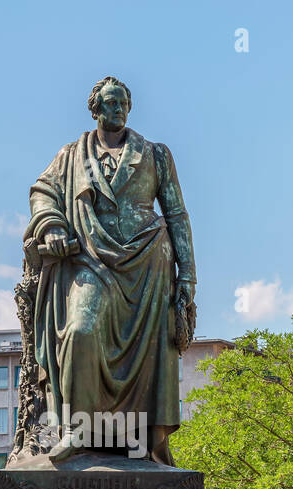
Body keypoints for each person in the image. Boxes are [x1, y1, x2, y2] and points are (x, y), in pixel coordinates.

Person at [23, 76, 197, 465]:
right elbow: (43, 192)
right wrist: (51, 226)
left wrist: (187, 276)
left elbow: (177, 214)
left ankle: (140, 441)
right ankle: (76, 430)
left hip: (147, 265)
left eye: (123, 104)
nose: (117, 110)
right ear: (94, 109)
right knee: (80, 331)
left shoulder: (155, 154)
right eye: (110, 103)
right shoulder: (70, 155)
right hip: (91, 259)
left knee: (149, 355)